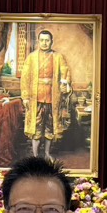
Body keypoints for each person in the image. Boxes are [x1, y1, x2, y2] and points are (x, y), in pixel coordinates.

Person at [20, 29, 72, 157]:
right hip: (35, 98)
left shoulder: (58, 57)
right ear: (38, 41)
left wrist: (65, 86)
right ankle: (35, 155)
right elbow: (25, 78)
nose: (44, 43)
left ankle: (48, 153)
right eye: (42, 40)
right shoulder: (31, 58)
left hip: (52, 97)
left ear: (51, 42)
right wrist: (25, 97)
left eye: (47, 40)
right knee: (36, 127)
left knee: (50, 127)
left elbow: (65, 74)